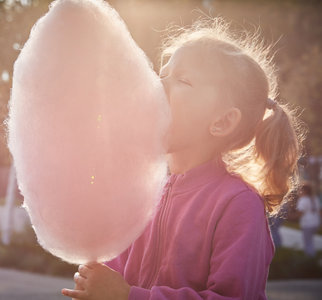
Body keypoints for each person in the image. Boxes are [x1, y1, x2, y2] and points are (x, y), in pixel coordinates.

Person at [62, 16, 304, 300]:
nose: (156, 85)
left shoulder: (238, 204)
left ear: (223, 122)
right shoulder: (144, 195)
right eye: (162, 75)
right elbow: (116, 275)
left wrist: (129, 296)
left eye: (182, 80)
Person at [296, 183, 321, 257]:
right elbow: (320, 211)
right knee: (310, 240)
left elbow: (300, 213)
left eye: (300, 190)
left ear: (304, 191)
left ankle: (310, 258)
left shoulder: (303, 200)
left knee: (307, 242)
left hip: (307, 224)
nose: (299, 191)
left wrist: (290, 216)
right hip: (315, 222)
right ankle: (312, 255)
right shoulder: (315, 198)